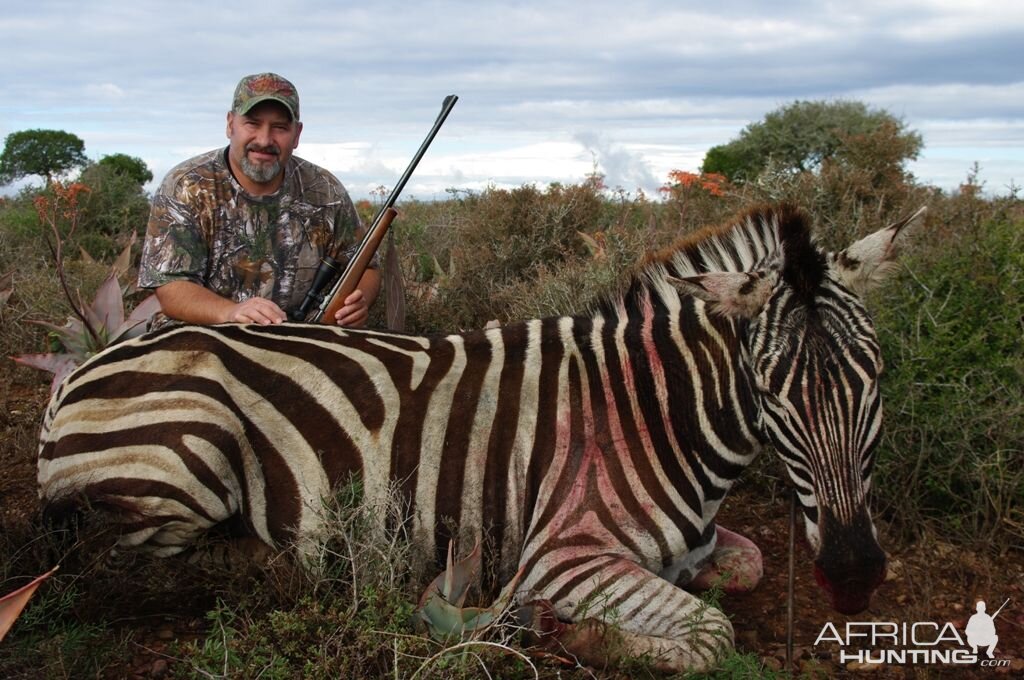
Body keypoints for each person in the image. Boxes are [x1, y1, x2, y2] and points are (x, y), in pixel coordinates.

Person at [139, 72, 379, 327]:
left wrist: (357, 301)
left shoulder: (326, 191)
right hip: (206, 334)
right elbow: (170, 287)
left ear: (297, 134)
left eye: (279, 128)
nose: (264, 140)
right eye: (252, 124)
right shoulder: (185, 186)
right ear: (230, 124)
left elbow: (367, 268)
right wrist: (230, 312)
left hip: (302, 338)